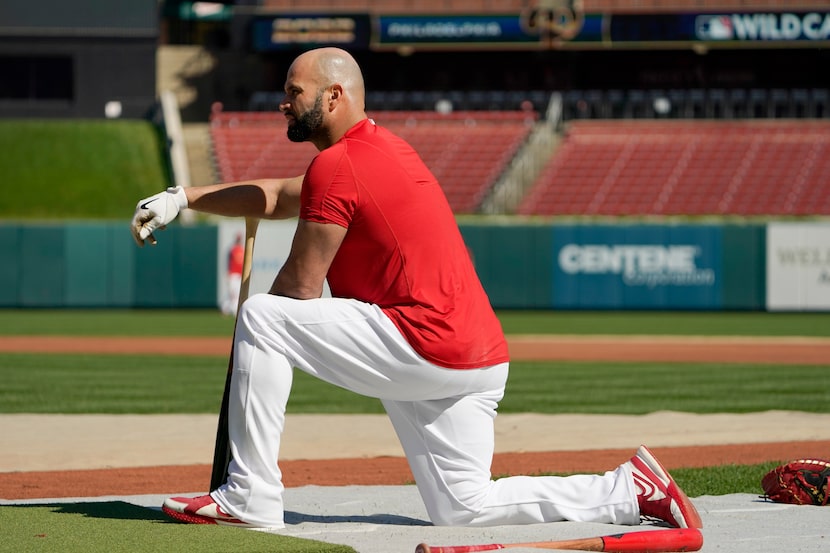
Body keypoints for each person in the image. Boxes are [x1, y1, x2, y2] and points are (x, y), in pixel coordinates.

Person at [130, 47, 702, 530]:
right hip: (476, 358)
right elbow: (280, 196)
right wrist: (185, 198)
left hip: (423, 339)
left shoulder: (339, 166)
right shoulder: (375, 151)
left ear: (333, 97)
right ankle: (630, 489)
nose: (283, 101)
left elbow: (299, 290)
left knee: (263, 315)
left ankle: (248, 494)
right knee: (464, 508)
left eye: (294, 91)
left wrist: (258, 348)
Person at [221, 233, 244, 316]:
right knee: (233, 294)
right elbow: (229, 262)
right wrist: (228, 273)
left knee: (234, 294)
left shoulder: (242, 249)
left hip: (239, 275)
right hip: (233, 274)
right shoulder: (232, 249)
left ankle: (225, 309)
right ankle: (234, 311)